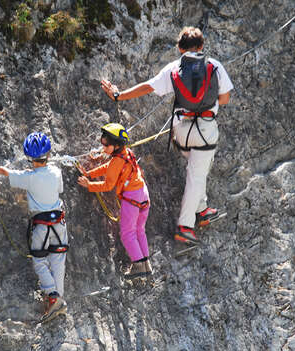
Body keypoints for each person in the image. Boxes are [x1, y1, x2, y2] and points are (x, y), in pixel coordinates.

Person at [100, 26, 234, 243]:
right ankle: (185, 226)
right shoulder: (214, 66)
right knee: (196, 176)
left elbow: (147, 87)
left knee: (197, 169)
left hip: (181, 131)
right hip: (205, 130)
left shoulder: (174, 67)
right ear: (201, 46)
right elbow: (225, 98)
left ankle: (202, 208)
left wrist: (118, 95)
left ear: (180, 48)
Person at [0, 132, 68, 322]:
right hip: (59, 223)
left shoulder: (28, 177)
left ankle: (53, 297)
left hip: (41, 226)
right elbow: (59, 190)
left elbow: (4, 171)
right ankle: (57, 301)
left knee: (40, 262)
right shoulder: (56, 172)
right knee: (58, 261)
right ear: (48, 154)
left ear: (28, 157)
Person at [77, 123, 152, 279]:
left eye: (106, 145)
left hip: (132, 198)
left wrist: (88, 185)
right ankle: (146, 265)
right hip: (142, 194)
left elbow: (108, 185)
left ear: (116, 145)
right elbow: (108, 167)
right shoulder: (126, 153)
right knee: (139, 230)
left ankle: (138, 266)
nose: (103, 148)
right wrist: (90, 173)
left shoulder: (117, 160)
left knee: (126, 234)